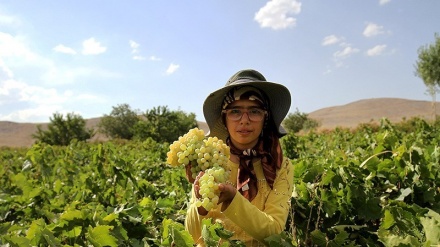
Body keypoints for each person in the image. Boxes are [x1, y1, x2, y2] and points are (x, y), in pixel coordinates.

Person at [185, 69, 294, 246]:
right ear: (225, 118)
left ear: (265, 118)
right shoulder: (210, 160)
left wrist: (232, 199)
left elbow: (274, 232)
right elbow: (192, 235)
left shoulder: (281, 166)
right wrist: (201, 205)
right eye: (235, 111)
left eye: (254, 111)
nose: (244, 120)